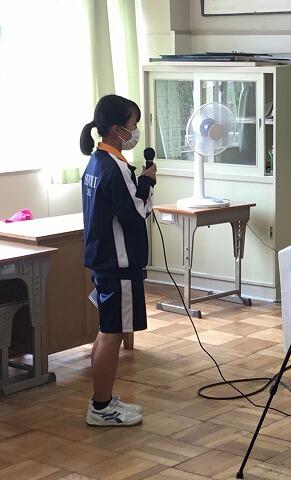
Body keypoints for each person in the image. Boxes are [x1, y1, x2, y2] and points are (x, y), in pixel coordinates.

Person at [79, 94, 157, 426]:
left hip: (103, 259)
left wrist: (141, 184)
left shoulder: (97, 162)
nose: (135, 131)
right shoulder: (115, 167)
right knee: (112, 333)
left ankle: (104, 399)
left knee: (106, 330)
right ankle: (101, 408)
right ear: (116, 129)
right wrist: (148, 182)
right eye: (133, 124)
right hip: (118, 263)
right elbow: (135, 214)